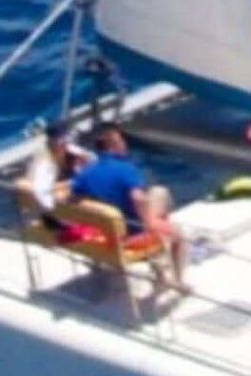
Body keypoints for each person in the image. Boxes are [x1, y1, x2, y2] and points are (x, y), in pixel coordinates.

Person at [69, 123, 187, 289]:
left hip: (102, 233)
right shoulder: (124, 169)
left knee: (159, 192)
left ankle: (159, 262)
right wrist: (149, 223)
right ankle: (178, 281)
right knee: (179, 234)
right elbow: (138, 199)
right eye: (121, 140)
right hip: (129, 235)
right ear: (114, 144)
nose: (124, 144)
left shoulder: (85, 173)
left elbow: (74, 197)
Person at [20, 119, 88, 220]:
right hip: (51, 213)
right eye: (61, 139)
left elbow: (93, 161)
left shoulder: (68, 149)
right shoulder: (43, 163)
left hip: (69, 199)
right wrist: (70, 184)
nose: (66, 142)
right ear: (51, 141)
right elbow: (43, 197)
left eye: (68, 137)